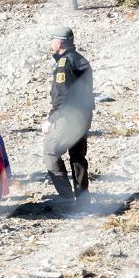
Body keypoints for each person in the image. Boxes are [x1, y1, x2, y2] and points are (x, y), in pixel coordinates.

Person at [43, 26, 94, 206]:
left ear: (60, 42)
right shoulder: (81, 59)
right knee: (77, 156)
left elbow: (61, 96)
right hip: (85, 114)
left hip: (70, 116)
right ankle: (83, 198)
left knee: (50, 151)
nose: (50, 43)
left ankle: (65, 197)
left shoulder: (64, 64)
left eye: (52, 40)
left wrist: (51, 118)